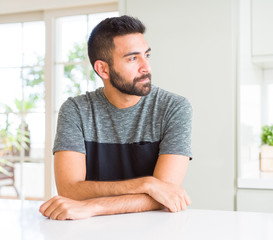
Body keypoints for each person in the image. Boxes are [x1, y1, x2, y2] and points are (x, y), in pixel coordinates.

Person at [39, 15, 192, 220]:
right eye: (132, 58)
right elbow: (69, 190)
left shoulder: (174, 107)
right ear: (103, 69)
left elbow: (166, 194)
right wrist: (145, 184)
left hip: (155, 228)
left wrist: (93, 207)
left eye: (146, 55)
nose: (146, 67)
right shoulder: (75, 110)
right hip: (90, 231)